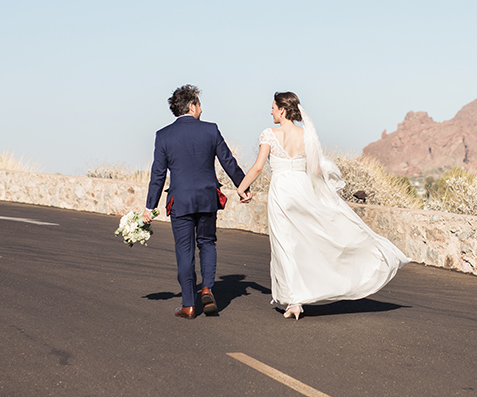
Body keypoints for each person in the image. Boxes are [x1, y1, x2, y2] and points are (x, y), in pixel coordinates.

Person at [236, 91, 409, 320]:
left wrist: (241, 187)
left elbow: (258, 167)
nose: (271, 112)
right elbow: (316, 170)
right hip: (302, 189)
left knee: (285, 245)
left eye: (273, 107)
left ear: (282, 110)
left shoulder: (269, 134)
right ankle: (306, 292)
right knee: (308, 241)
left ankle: (294, 301)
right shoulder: (306, 135)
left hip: (281, 192)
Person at [142, 85, 251, 319]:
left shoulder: (163, 135)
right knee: (207, 243)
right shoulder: (211, 130)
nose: (201, 109)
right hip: (206, 198)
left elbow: (158, 174)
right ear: (192, 106)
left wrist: (150, 206)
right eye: (199, 105)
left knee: (184, 250)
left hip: (180, 201)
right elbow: (228, 161)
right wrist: (243, 187)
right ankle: (207, 288)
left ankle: (189, 305)